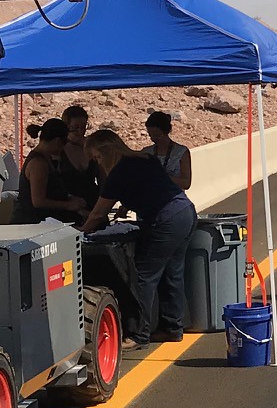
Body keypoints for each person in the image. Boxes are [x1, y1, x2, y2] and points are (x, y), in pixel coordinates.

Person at [83, 129, 195, 344]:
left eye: (97, 157)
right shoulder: (146, 159)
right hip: (185, 213)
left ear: (107, 152)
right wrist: (127, 204)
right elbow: (150, 187)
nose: (98, 163)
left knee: (143, 276)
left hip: (165, 221)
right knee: (172, 273)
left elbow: (98, 213)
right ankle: (172, 327)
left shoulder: (118, 173)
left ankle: (138, 334)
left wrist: (81, 231)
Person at [17, 119, 89, 225]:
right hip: (34, 221)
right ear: (57, 141)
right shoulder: (38, 163)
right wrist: (68, 205)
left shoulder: (48, 159)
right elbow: (38, 201)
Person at [144, 110, 193, 191]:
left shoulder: (181, 152)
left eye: (157, 135)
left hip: (174, 200)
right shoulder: (146, 152)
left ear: (166, 132)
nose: (153, 138)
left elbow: (186, 183)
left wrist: (162, 178)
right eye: (150, 135)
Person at [60, 104, 101, 197]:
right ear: (66, 126)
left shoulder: (92, 147)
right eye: (75, 127)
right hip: (66, 203)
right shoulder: (58, 149)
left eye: (83, 127)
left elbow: (102, 177)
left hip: (92, 201)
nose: (80, 131)